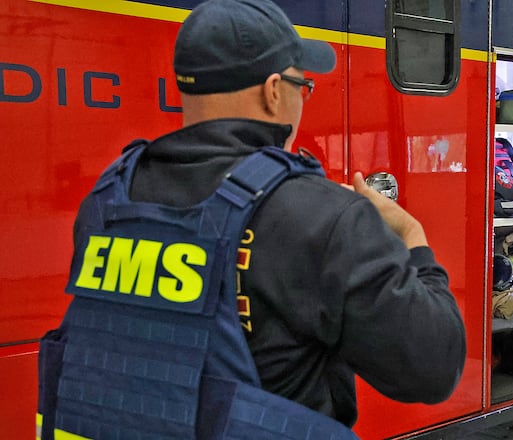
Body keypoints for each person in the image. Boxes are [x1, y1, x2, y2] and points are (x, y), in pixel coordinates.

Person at [37, 0, 466, 438]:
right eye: (304, 86)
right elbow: (433, 368)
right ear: (273, 91)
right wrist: (413, 238)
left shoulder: (110, 199)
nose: (302, 100)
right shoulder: (319, 216)